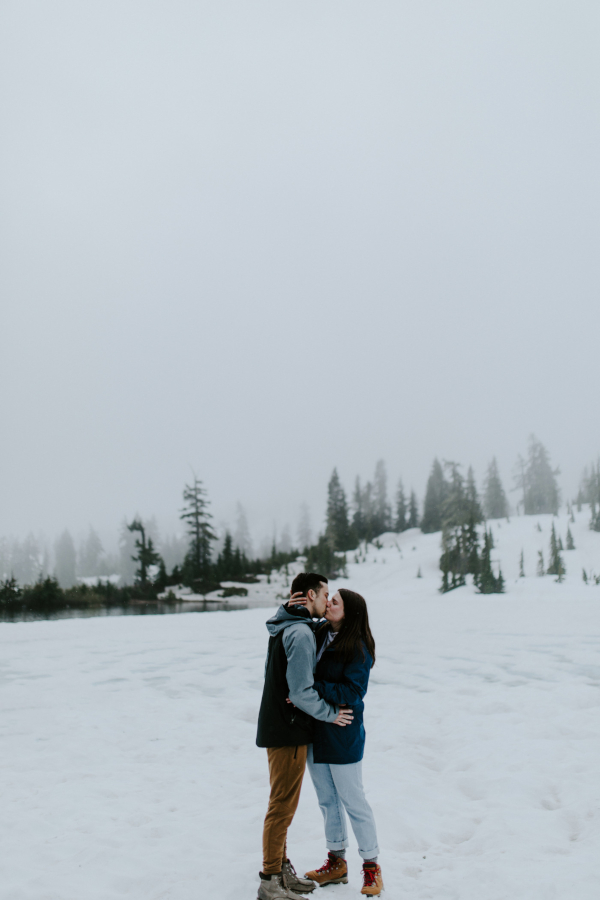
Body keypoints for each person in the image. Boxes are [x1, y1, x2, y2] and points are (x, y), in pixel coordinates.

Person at [256, 573, 354, 900]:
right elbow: (300, 693)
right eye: (325, 594)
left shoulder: (292, 624)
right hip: (288, 728)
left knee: (283, 803)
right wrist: (331, 713)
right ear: (311, 594)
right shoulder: (299, 633)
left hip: (283, 725)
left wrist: (287, 607)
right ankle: (271, 880)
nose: (328, 601)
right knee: (282, 806)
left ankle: (281, 872)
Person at [302, 589, 383, 896]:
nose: (328, 603)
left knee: (353, 799)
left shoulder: (358, 648)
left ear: (348, 613)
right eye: (328, 598)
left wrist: (311, 687)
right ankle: (336, 862)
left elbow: (352, 693)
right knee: (327, 800)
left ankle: (371, 867)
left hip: (343, 733)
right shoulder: (320, 632)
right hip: (317, 731)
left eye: (335, 602)